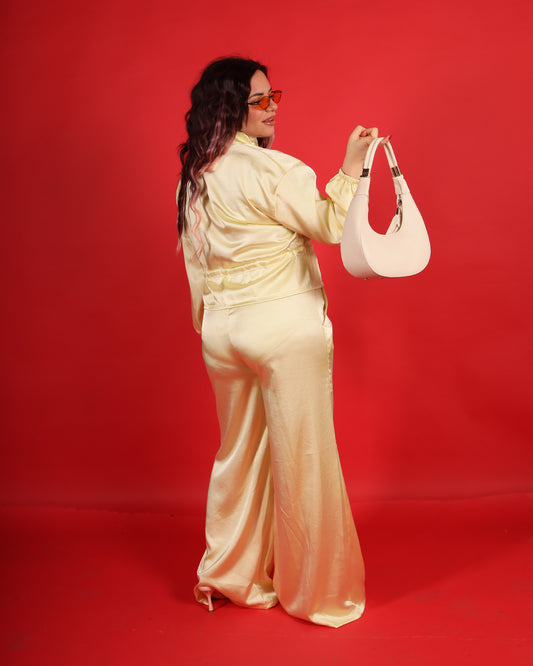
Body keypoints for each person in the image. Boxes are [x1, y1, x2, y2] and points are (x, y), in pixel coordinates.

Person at [177, 56, 385, 628]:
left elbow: (196, 262)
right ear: (231, 108)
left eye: (274, 97)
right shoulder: (276, 170)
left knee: (237, 454)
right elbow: (330, 225)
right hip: (282, 327)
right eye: (259, 100)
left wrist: (211, 326)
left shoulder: (196, 174)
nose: (271, 108)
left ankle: (230, 574)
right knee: (305, 456)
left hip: (223, 333)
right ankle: (319, 593)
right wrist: (351, 168)